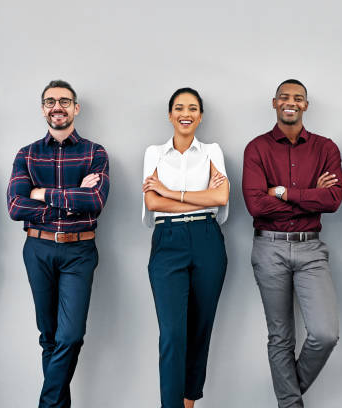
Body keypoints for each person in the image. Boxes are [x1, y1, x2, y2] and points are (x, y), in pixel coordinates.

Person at [7, 79, 109, 408]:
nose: (57, 107)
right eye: (50, 101)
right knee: (48, 337)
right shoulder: (26, 154)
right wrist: (70, 197)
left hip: (79, 251)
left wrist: (41, 194)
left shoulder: (95, 152)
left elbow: (95, 200)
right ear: (43, 109)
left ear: (76, 108)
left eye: (64, 101)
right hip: (37, 249)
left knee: (70, 336)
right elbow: (14, 207)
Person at [242, 79, 342, 408]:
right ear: (274, 103)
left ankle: (287, 398)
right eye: (284, 97)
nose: (291, 102)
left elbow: (333, 200)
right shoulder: (256, 148)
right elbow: (256, 205)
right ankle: (291, 404)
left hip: (311, 248)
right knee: (281, 337)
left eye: (298, 98)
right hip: (268, 248)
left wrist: (282, 191)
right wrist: (309, 195)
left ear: (306, 106)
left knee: (325, 334)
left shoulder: (325, 148)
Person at [142, 87, 229, 408]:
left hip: (208, 241)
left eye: (193, 108)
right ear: (170, 114)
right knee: (172, 335)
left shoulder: (212, 152)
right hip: (167, 243)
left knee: (199, 331)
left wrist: (171, 194)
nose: (186, 113)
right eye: (179, 107)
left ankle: (188, 404)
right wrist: (193, 198)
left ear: (201, 116)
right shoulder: (154, 153)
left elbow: (220, 198)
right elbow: (152, 202)